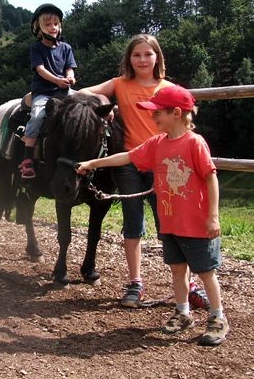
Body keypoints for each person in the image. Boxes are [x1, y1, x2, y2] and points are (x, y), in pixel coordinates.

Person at [76, 85, 228, 346]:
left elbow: (211, 177)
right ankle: (182, 313)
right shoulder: (158, 143)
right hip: (170, 222)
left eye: (158, 112)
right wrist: (92, 163)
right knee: (177, 270)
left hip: (196, 225)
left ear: (176, 113)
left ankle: (217, 317)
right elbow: (127, 157)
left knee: (206, 272)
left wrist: (213, 216)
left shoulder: (194, 143)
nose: (153, 116)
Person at [78, 34, 208, 309]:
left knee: (171, 224)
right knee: (133, 222)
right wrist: (104, 102)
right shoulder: (119, 84)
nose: (142, 59)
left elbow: (186, 118)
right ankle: (135, 282)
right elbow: (83, 92)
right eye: (136, 55)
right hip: (130, 163)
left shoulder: (169, 88)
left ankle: (189, 285)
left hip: (165, 165)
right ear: (129, 58)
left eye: (148, 54)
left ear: (157, 57)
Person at [20, 3, 76, 179]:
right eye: (48, 24)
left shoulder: (66, 48)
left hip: (64, 90)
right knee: (37, 116)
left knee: (84, 108)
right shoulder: (36, 48)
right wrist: (57, 80)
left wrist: (70, 77)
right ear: (39, 28)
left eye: (56, 24)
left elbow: (69, 68)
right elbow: (40, 70)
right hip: (44, 92)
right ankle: (27, 158)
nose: (53, 27)